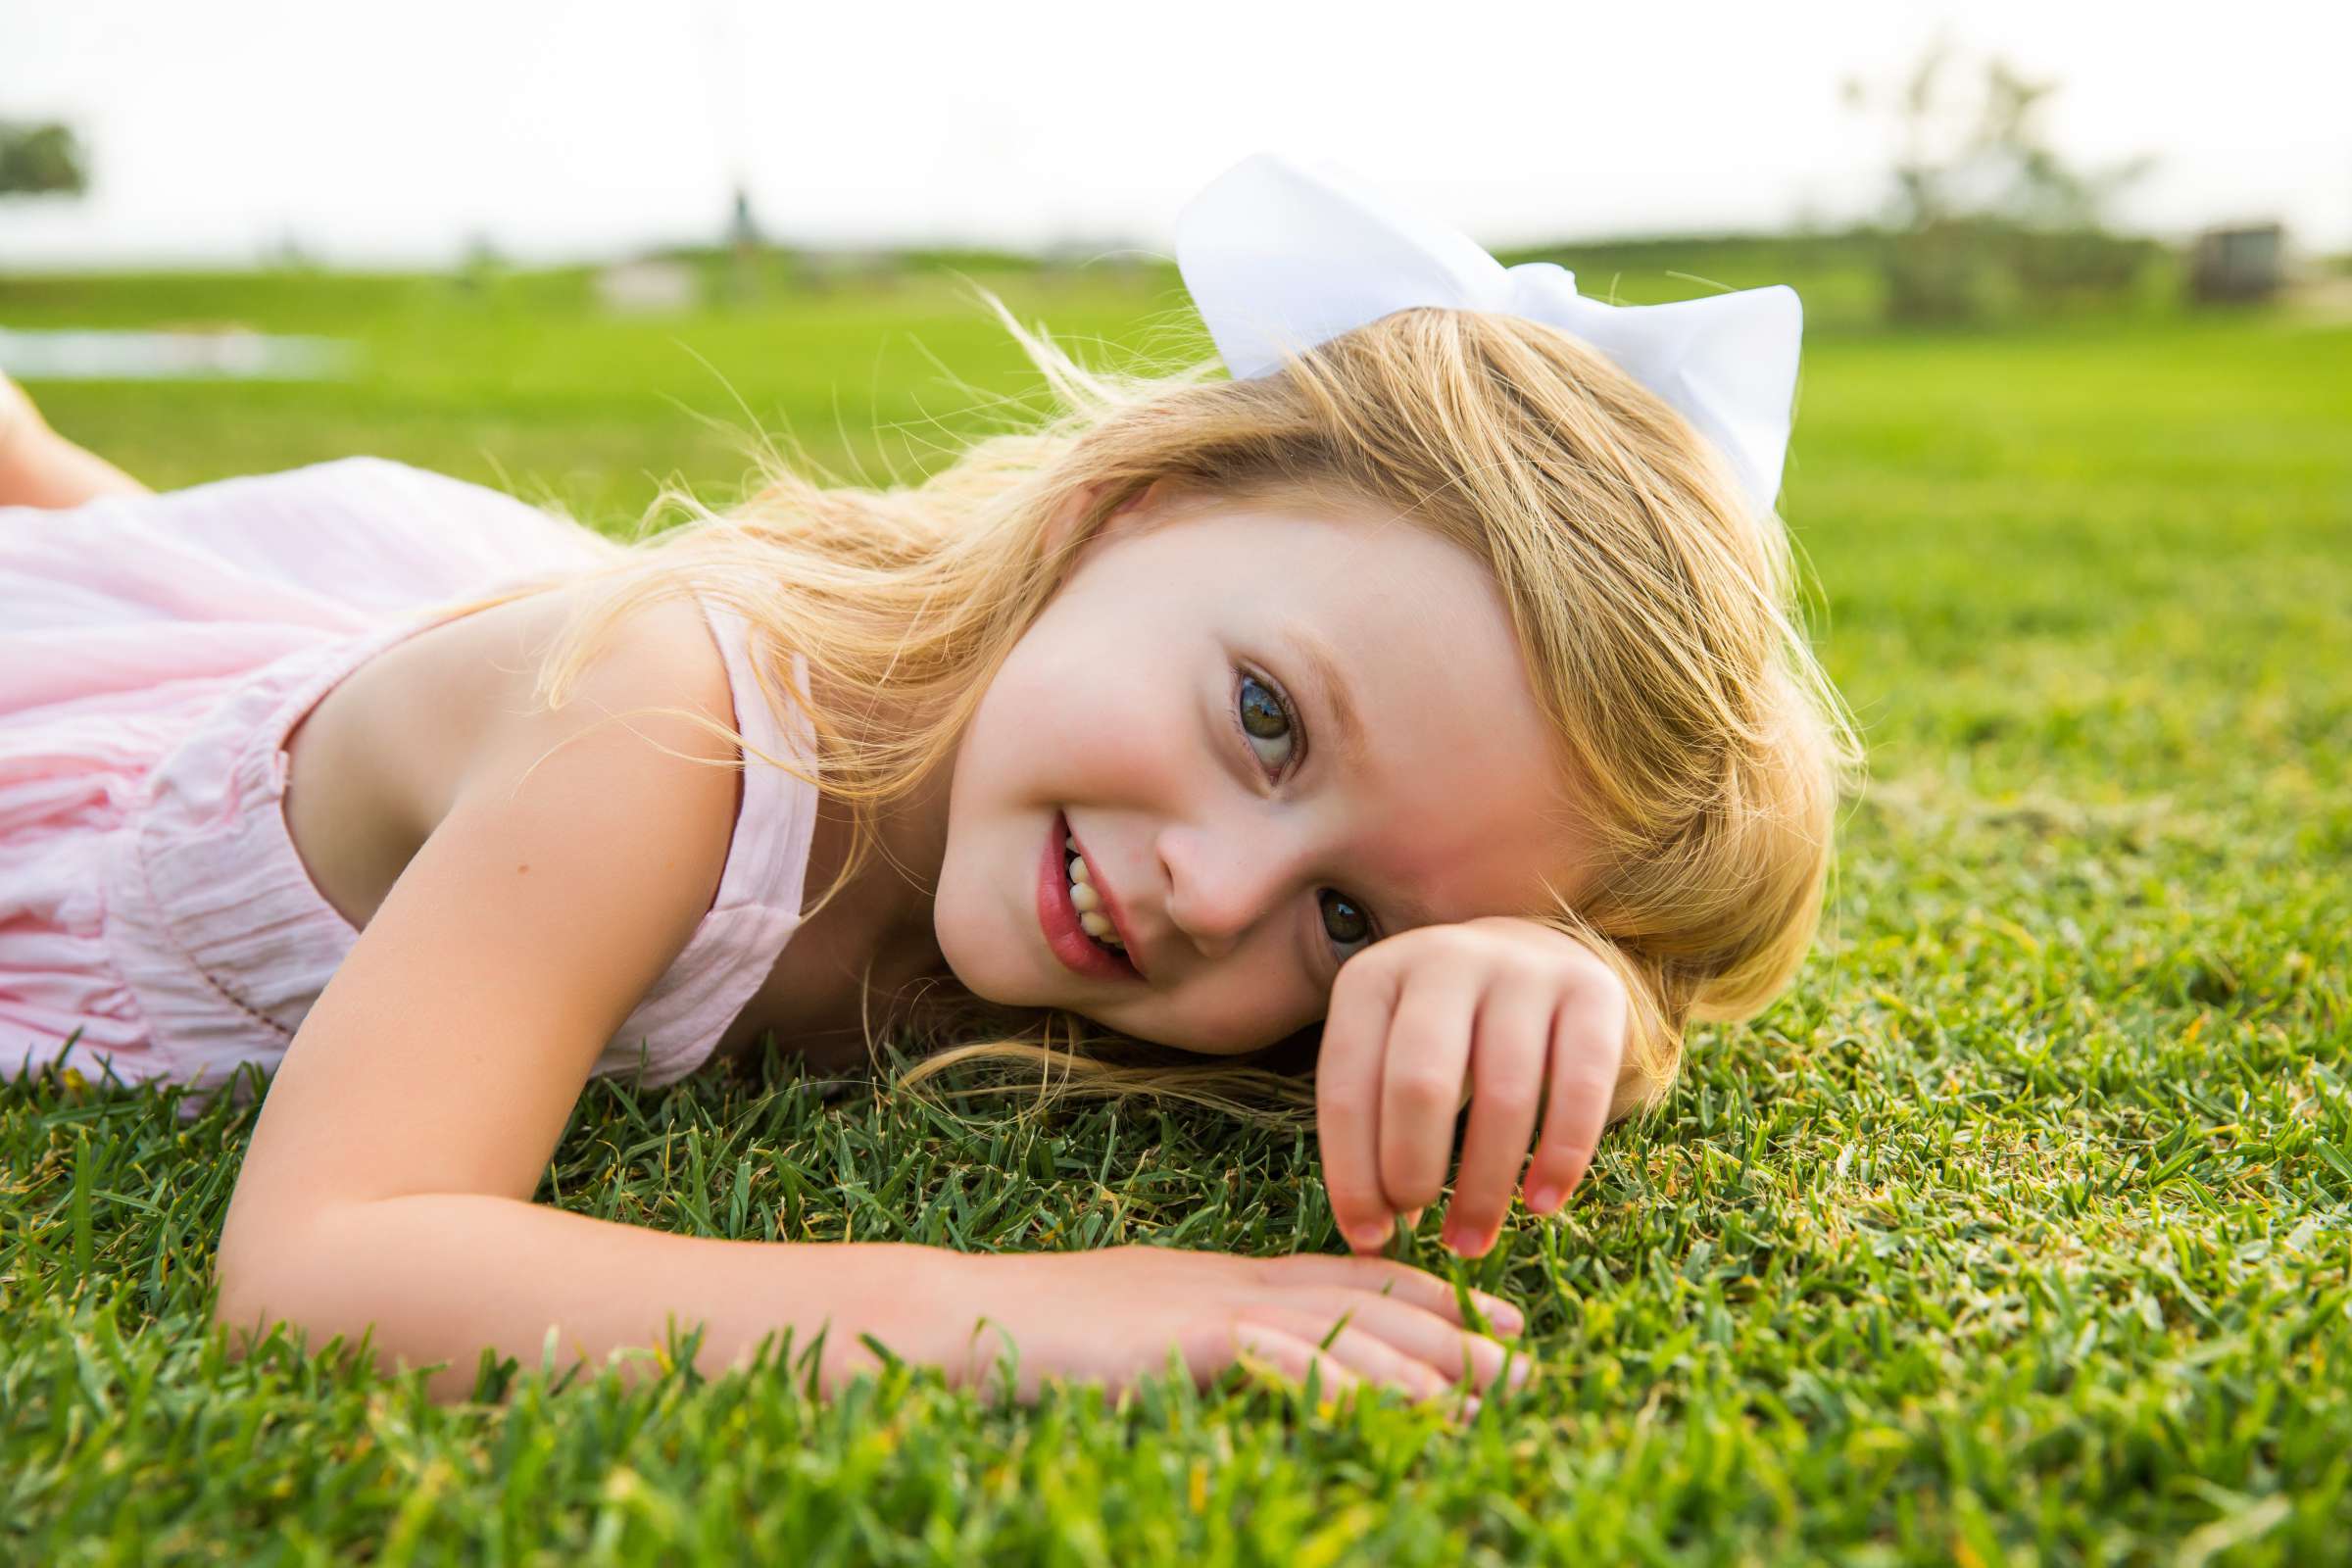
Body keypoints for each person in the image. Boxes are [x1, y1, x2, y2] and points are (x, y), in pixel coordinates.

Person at [0, 153, 1861, 1410]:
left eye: (1352, 916)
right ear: (1130, 511)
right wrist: (1030, 1312)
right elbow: (324, 1262)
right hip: (198, 784)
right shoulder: (671, 730)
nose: (1214, 895)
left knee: (167, 552)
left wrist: (1568, 997)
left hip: (455, 654)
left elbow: (1567, 953)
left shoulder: (1144, 851)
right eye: (1268, 722)